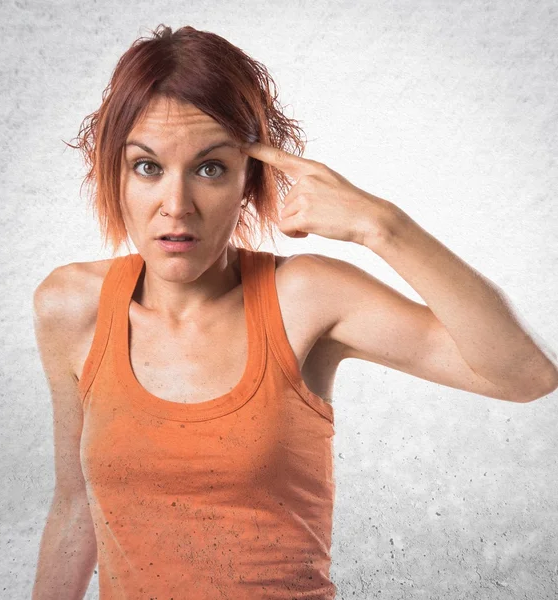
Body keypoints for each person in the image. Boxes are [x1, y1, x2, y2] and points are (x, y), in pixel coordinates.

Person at [30, 23, 558, 600]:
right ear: (117, 174)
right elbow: (75, 504)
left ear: (248, 178)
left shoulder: (304, 298)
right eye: (148, 167)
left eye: (210, 168)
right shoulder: (71, 307)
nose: (175, 206)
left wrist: (383, 227)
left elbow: (525, 375)